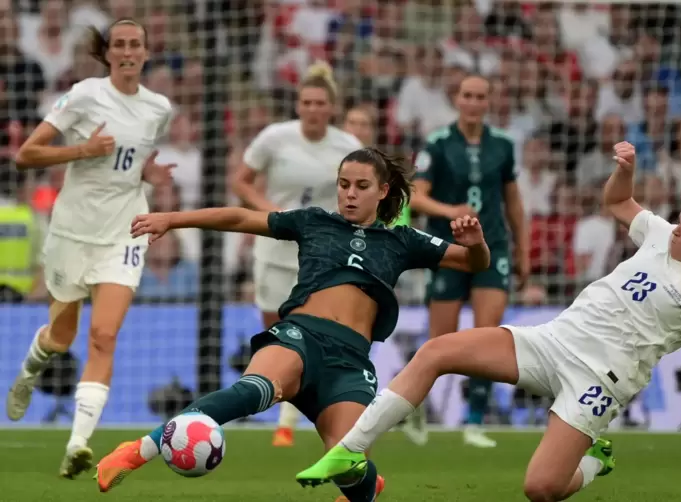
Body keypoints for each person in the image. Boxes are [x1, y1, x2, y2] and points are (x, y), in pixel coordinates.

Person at [296, 141, 681, 502]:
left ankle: (594, 461)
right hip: (552, 341)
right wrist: (626, 171)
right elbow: (617, 200)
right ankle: (349, 452)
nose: (676, 228)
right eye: (679, 219)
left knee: (541, 489)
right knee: (436, 351)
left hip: (599, 381)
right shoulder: (658, 233)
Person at [95, 147, 491, 501]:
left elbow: (475, 264)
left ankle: (366, 490)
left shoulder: (403, 241)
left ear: (383, 191)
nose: (350, 193)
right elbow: (240, 216)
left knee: (347, 463)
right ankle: (138, 451)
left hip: (349, 363)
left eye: (361, 186)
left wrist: (476, 242)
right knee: (252, 391)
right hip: (301, 336)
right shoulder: (313, 222)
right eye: (343, 184)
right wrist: (172, 219)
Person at [5, 19, 174, 479]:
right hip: (73, 232)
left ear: (145, 51)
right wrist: (82, 150)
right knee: (60, 337)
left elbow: (129, 166)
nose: (126, 51)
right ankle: (26, 375)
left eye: (134, 44)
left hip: (123, 233)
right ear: (108, 53)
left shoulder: (159, 108)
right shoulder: (84, 95)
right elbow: (26, 155)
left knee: (104, 336)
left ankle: (77, 444)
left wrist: (150, 177)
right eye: (118, 44)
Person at [232, 61, 362, 447]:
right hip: (273, 249)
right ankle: (278, 399)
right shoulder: (275, 138)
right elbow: (240, 181)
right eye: (306, 101)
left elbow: (359, 193)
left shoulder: (347, 147)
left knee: (308, 332)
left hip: (319, 255)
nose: (313, 109)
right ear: (298, 104)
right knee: (274, 332)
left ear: (331, 107)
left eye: (320, 102)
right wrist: (268, 211)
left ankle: (288, 420)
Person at [405, 74, 529, 447]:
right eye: (468, 95)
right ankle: (413, 409)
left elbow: (513, 200)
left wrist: (523, 248)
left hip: (493, 249)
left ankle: (474, 421)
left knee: (486, 336)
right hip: (447, 250)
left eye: (480, 96)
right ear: (457, 99)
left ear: (488, 102)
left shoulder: (504, 146)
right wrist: (449, 209)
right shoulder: (439, 144)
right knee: (439, 341)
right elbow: (415, 197)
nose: (474, 102)